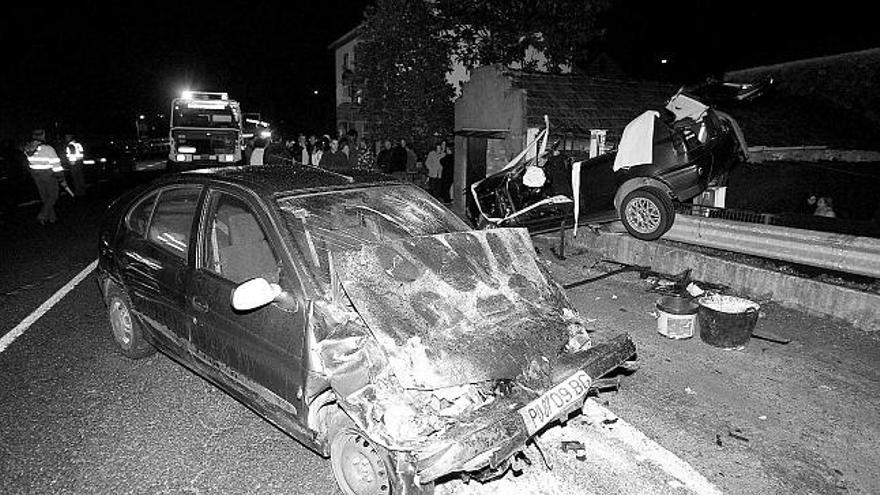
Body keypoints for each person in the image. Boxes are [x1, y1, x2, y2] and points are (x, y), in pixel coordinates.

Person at [26, 136, 69, 225]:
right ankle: (42, 216)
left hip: (36, 175)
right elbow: (56, 164)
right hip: (48, 175)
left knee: (45, 196)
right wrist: (61, 178)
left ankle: (51, 218)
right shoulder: (48, 148)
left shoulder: (28, 148)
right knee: (53, 195)